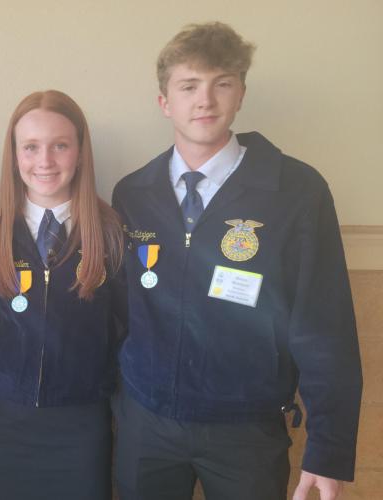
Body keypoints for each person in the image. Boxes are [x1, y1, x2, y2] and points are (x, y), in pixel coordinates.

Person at [111, 22, 362, 500]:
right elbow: (120, 312)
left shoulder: (297, 192)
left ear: (241, 93)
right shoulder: (132, 194)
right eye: (189, 86)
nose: (205, 100)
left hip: (246, 429)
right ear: (165, 102)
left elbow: (324, 324)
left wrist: (328, 450)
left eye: (221, 83)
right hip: (148, 425)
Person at [0, 90, 125, 500]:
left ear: (80, 151)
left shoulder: (110, 231)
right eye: (31, 147)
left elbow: (124, 325)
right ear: (14, 153)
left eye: (60, 145)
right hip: (8, 419)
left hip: (82, 420)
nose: (45, 161)